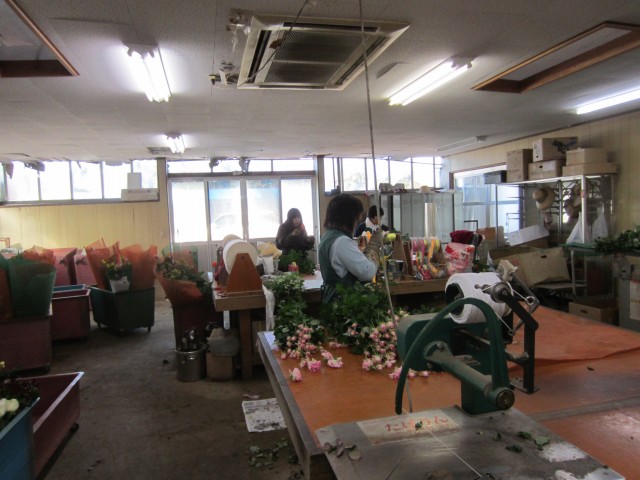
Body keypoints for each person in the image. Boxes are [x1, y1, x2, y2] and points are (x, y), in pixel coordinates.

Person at [318, 194, 383, 304]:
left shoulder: (328, 236)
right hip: (344, 302)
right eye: (356, 217)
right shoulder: (341, 241)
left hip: (334, 299)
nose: (357, 221)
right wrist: (374, 245)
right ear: (349, 217)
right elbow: (367, 272)